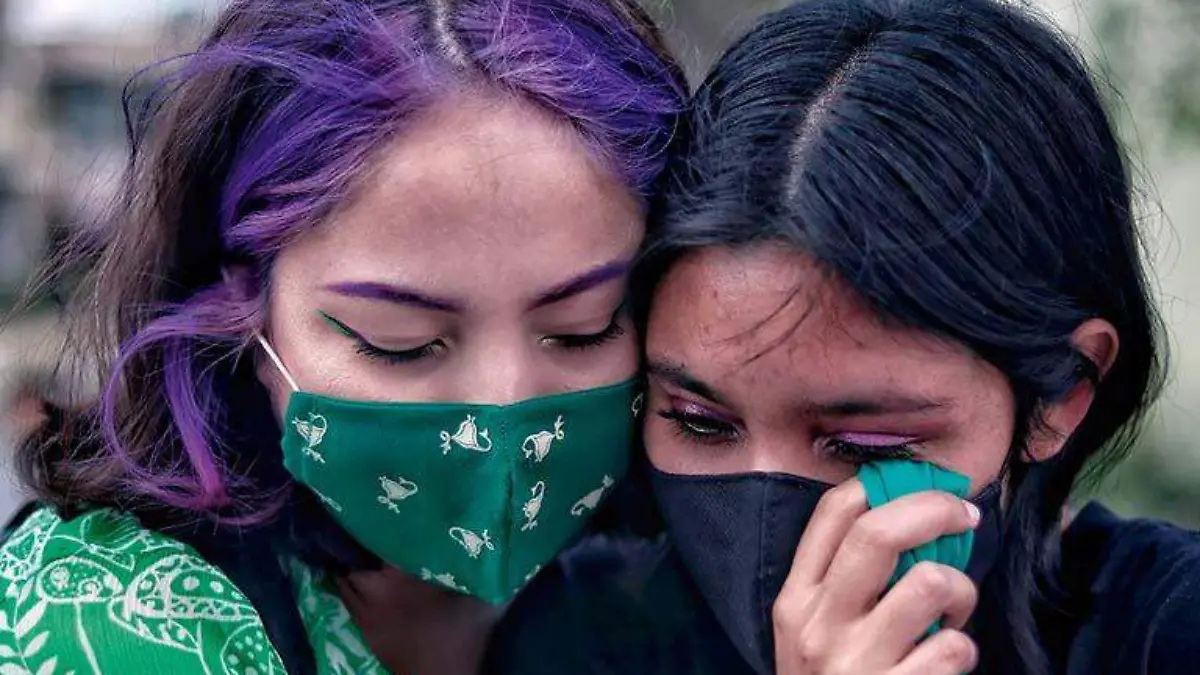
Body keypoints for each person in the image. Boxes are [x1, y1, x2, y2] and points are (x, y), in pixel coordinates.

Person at [487, 1, 1200, 674]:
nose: (765, 525)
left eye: (866, 447)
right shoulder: (582, 637)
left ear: (1063, 393)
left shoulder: (1168, 632)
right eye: (701, 422)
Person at [0, 1, 685, 673]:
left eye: (582, 329)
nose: (502, 407)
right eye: (401, 342)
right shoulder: (107, 616)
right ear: (244, 305)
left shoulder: (680, 583)